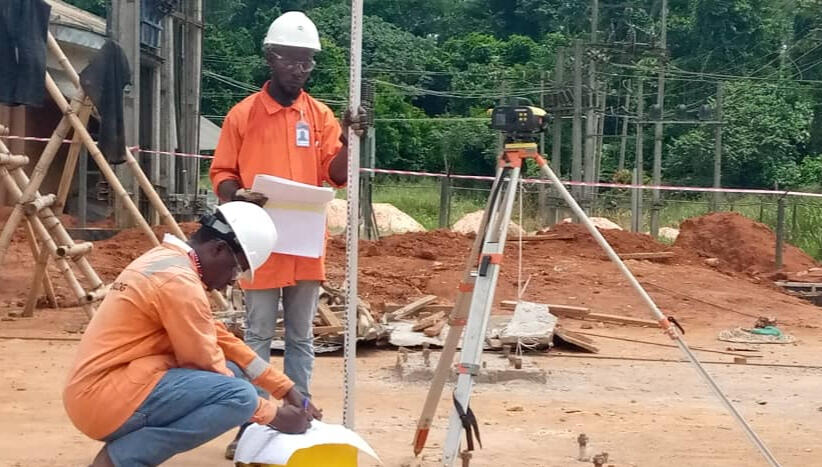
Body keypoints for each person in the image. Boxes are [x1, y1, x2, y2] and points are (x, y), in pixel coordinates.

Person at [209, 10, 366, 458]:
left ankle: (299, 416)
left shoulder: (318, 116)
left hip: (302, 244)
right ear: (271, 59)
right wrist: (238, 194)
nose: (300, 69)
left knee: (300, 338)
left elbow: (335, 174)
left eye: (307, 62)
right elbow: (221, 173)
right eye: (292, 60)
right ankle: (252, 423)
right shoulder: (243, 116)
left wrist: (353, 137)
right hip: (257, 246)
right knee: (256, 336)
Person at [63, 202, 322, 467]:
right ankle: (123, 459)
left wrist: (284, 387)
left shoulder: (168, 262)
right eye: (236, 269)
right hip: (104, 399)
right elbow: (205, 364)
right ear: (218, 249)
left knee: (238, 373)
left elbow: (219, 338)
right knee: (240, 396)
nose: (234, 281)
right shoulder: (179, 283)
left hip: (105, 388)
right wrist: (276, 416)